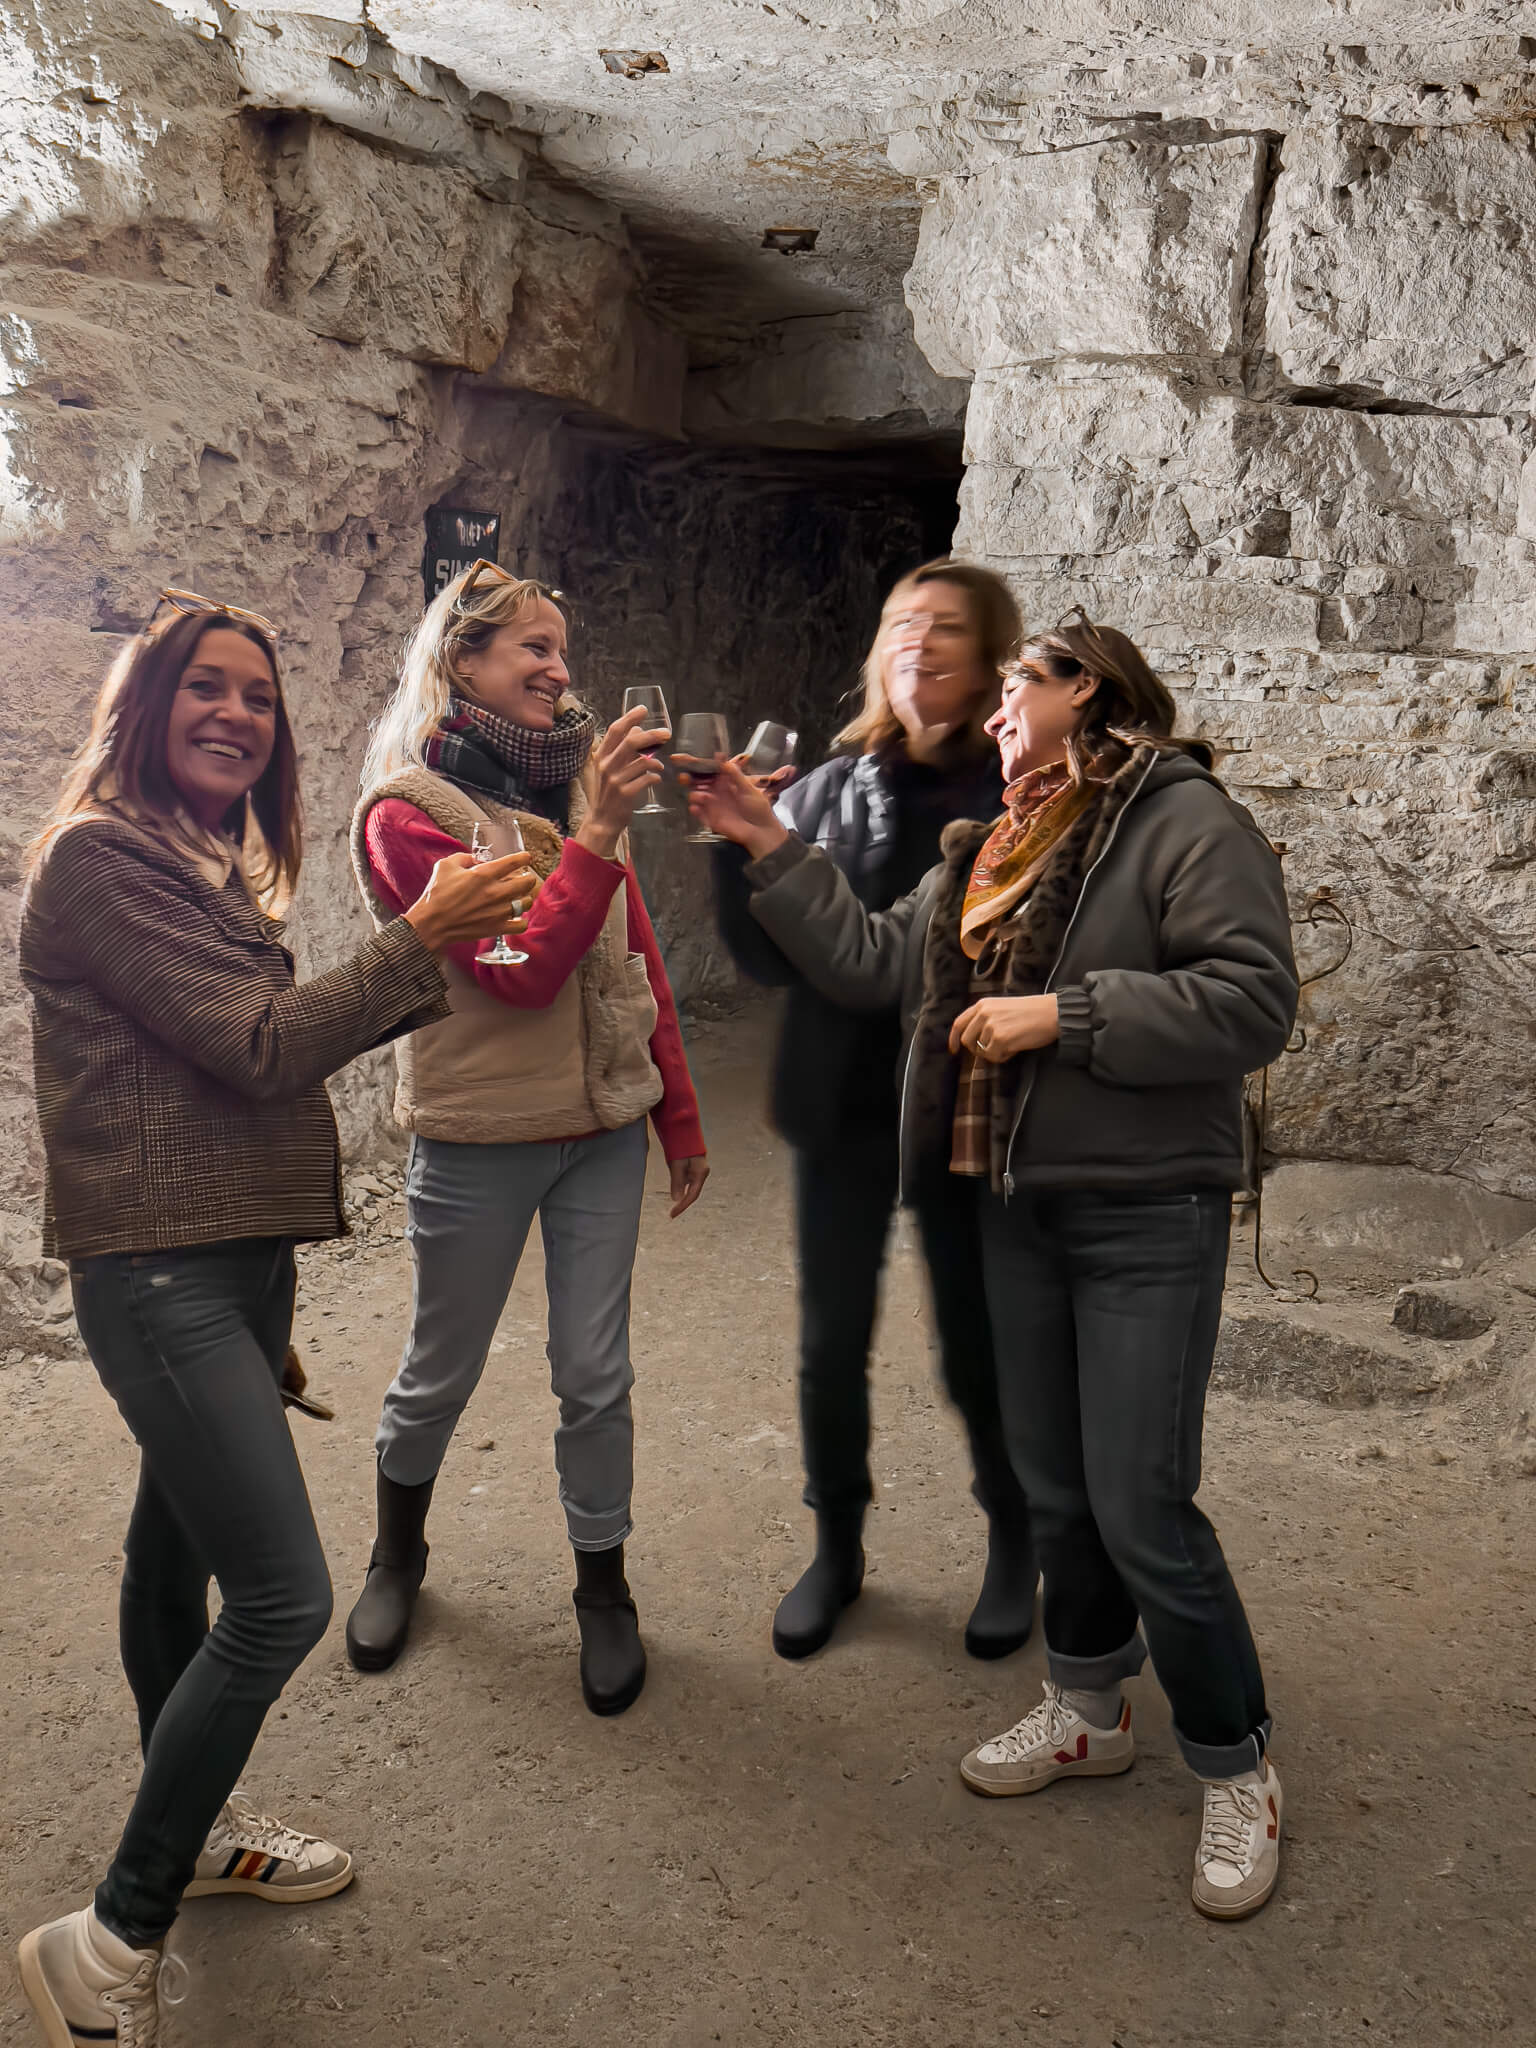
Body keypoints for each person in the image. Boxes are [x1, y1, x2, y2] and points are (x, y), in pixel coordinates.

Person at [687, 611, 1299, 1921]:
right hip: (1015, 1206)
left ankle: (1234, 1760)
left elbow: (1254, 999)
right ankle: (1088, 1706)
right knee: (1058, 1490)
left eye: (1024, 682)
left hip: (1145, 1210)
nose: (1001, 707)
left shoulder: (1184, 820)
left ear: (1092, 691)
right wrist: (763, 839)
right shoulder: (989, 849)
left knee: (1142, 1504)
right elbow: (869, 959)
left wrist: (1063, 1016)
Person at [16, 590, 536, 2045]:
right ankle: (109, 1941)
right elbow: (256, 1048)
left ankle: (196, 1827)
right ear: (144, 705)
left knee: (170, 1553)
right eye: (207, 686)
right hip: (159, 1274)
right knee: (283, 1597)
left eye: (259, 695)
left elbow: (219, 1078)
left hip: (227, 1265)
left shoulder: (197, 859)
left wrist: (265, 1288)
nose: (239, 713)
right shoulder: (99, 861)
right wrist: (417, 936)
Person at [345, 560, 708, 1718]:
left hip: (599, 1130)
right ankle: (396, 1556)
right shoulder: (408, 814)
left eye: (562, 647)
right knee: (438, 1370)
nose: (560, 669)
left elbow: (633, 960)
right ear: (464, 661)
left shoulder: (571, 791)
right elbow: (519, 973)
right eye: (532, 648)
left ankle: (604, 1589)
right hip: (478, 1138)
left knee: (595, 1375)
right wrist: (597, 827)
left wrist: (676, 1114)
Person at [713, 559, 1035, 1662]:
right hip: (840, 1102)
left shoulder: (1018, 793)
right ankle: (837, 1547)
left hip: (963, 1106)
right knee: (829, 1343)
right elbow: (765, 961)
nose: (918, 641)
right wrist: (734, 847)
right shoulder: (823, 788)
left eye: (946, 627)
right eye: (902, 622)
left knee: (977, 1342)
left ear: (990, 660)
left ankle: (1014, 1539)